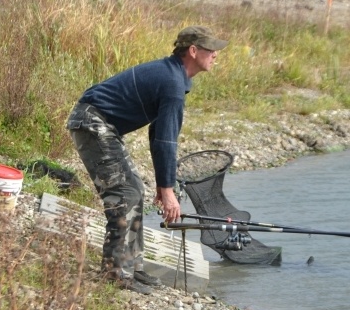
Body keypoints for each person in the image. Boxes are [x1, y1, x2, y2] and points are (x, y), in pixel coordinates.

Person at [66, 26, 229, 294]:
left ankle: (131, 268)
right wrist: (167, 192)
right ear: (193, 51)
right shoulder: (173, 82)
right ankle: (116, 272)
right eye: (212, 50)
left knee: (134, 190)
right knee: (125, 193)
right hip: (92, 122)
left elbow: (158, 136)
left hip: (101, 125)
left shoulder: (174, 76)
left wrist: (162, 185)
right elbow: (166, 140)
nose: (216, 55)